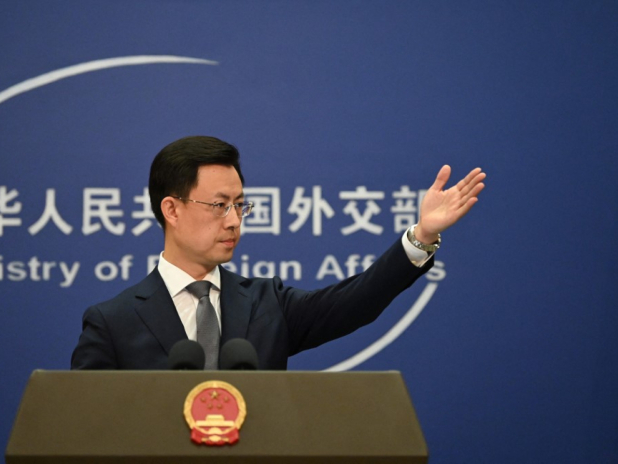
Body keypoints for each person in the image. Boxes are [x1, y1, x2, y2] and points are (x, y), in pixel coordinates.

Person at [71, 136, 485, 370]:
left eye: (240, 205)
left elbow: (356, 301)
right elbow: (85, 428)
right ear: (172, 210)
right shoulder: (112, 322)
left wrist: (421, 235)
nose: (234, 221)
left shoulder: (267, 303)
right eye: (219, 205)